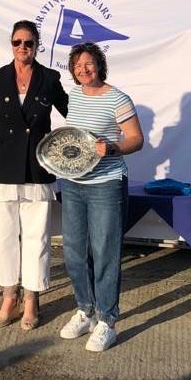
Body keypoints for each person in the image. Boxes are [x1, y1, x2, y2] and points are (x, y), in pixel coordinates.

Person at [0, 20, 68, 330]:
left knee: (37, 237)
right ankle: (9, 296)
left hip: (37, 166)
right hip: (2, 165)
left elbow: (71, 110)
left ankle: (32, 299)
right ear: (11, 44)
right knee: (2, 236)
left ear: (37, 46)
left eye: (29, 43)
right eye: (18, 42)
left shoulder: (50, 78)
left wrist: (95, 125)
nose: (23, 48)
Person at [59, 42, 143, 352]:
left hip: (106, 184)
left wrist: (114, 148)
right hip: (73, 182)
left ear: (99, 65)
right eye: (77, 65)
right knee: (74, 252)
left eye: (89, 63)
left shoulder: (118, 98)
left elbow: (136, 139)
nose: (83, 69)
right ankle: (86, 310)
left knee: (105, 252)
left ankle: (108, 320)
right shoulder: (75, 96)